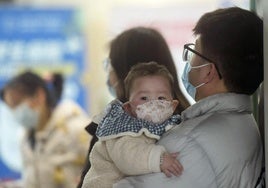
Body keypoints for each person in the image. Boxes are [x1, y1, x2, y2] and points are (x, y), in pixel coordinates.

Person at [114, 7, 264, 188]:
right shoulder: (242, 122)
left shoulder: (190, 142)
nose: (189, 60)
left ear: (208, 72)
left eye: (194, 53)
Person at [77, 26, 190, 187]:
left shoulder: (114, 124)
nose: (109, 74)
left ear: (126, 72)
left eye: (110, 65)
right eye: (144, 98)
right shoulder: (187, 119)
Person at [81, 62, 183, 188]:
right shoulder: (122, 129)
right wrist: (159, 159)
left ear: (172, 106)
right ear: (128, 107)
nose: (153, 103)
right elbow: (128, 157)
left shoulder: (171, 126)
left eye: (161, 98)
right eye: (144, 98)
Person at [2, 71, 91, 188]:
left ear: (39, 95)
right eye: (11, 108)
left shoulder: (77, 128)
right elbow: (33, 183)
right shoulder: (26, 138)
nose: (16, 113)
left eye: (17, 104)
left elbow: (101, 174)